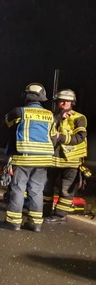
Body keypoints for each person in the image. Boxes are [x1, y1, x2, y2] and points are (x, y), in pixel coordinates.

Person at [2, 83, 58, 232]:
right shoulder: (50, 116)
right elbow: (54, 138)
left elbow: (6, 124)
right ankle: (35, 224)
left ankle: (13, 222)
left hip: (23, 158)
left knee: (18, 189)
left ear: (25, 96)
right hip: (43, 160)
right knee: (36, 191)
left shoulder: (19, 112)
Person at [43, 88, 88, 223]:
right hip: (53, 159)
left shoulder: (79, 118)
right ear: (57, 102)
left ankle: (60, 216)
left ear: (72, 103)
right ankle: (43, 212)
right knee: (46, 187)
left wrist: (60, 137)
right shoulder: (51, 117)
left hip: (71, 161)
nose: (64, 104)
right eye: (61, 101)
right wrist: (57, 118)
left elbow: (80, 137)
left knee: (66, 190)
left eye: (67, 102)